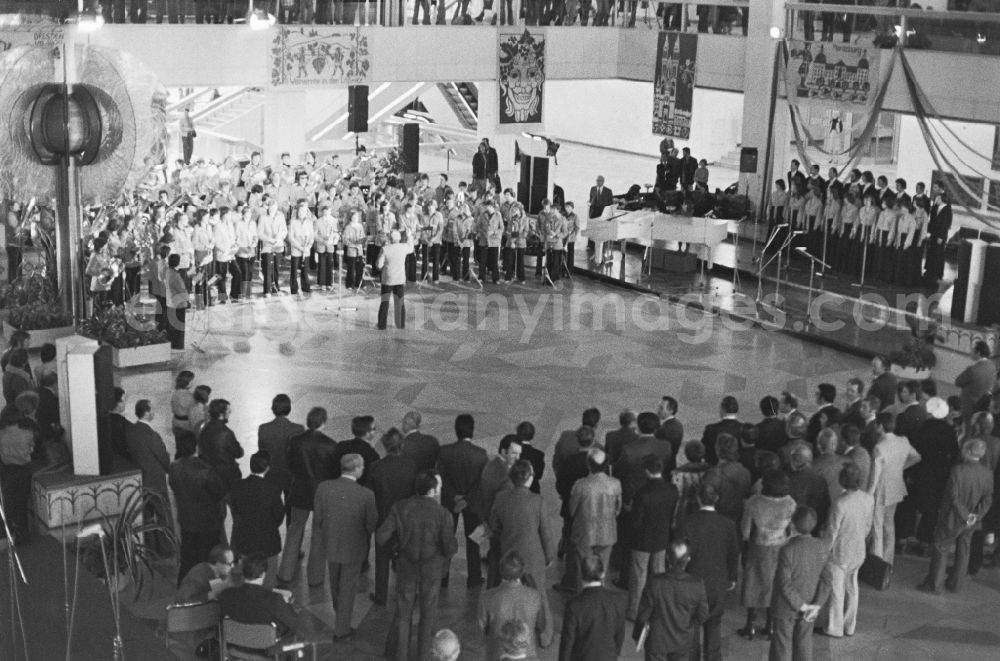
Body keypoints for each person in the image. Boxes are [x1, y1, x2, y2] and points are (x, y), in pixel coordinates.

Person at [379, 470, 458, 661]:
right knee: (427, 614)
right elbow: (450, 547)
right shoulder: (442, 513)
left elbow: (381, 535)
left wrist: (395, 552)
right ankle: (424, 656)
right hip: (432, 570)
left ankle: (400, 656)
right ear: (432, 490)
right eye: (438, 487)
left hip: (406, 567)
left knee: (403, 614)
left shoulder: (400, 507)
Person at [313, 453, 378, 641]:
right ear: (356, 469)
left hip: (330, 544)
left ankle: (339, 612)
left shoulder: (323, 488)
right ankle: (341, 630)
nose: (363, 469)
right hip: (354, 547)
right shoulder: (366, 494)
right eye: (362, 467)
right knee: (348, 587)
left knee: (334, 583)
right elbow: (371, 523)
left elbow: (318, 518)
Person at [489, 460, 555, 642]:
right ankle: (545, 634)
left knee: (508, 595)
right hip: (534, 557)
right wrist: (549, 556)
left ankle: (507, 633)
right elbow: (546, 533)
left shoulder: (500, 498)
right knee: (540, 593)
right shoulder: (538, 500)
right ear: (529, 478)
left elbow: (494, 526)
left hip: (509, 556)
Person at [918, 438, 994, 594]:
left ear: (967, 450)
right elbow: (987, 499)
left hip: (953, 517)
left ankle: (934, 585)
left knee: (941, 547)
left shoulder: (957, 470)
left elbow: (954, 497)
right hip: (972, 520)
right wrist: (975, 516)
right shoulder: (987, 473)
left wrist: (965, 515)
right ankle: (956, 584)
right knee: (964, 550)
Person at [679, 482, 739, 661]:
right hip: (717, 582)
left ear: (697, 499)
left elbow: (679, 553)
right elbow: (733, 553)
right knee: (714, 628)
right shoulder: (728, 524)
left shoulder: (687, 522)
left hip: (691, 582)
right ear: (717, 499)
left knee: (691, 627)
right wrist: (732, 577)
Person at [279, 406, 338, 586]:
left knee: (294, 530)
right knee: (318, 535)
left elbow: (289, 463)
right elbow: (334, 472)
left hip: (299, 491)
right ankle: (315, 577)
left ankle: (285, 573)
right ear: (324, 422)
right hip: (321, 494)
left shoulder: (295, 441)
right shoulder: (330, 445)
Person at [738, 470, 796, 640]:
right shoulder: (790, 503)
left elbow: (745, 531)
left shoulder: (753, 502)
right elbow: (792, 531)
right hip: (780, 547)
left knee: (753, 583)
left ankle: (750, 625)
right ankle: (770, 626)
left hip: (758, 547)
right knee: (775, 585)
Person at [769, 507, 831, 661]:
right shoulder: (822, 547)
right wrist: (816, 605)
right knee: (804, 646)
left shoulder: (787, 549)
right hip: (810, 605)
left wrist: (801, 605)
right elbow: (827, 579)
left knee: (781, 647)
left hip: (785, 607)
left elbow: (784, 583)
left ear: (793, 524)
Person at [633, 540, 710, 661]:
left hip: (657, 643)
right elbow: (703, 615)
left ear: (668, 558)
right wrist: (688, 627)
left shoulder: (654, 582)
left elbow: (643, 614)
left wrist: (638, 635)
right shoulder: (697, 584)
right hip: (682, 642)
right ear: (688, 559)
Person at [821, 463, 874, 638]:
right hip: (858, 550)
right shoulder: (868, 499)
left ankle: (834, 628)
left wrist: (824, 552)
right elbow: (868, 526)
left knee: (837, 590)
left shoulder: (840, 503)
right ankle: (850, 625)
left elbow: (832, 532)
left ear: (842, 480)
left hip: (840, 552)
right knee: (852, 587)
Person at [438, 413, 488, 588]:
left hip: (450, 501)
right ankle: (474, 577)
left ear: (456, 430)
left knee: (446, 538)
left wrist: (455, 497)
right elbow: (481, 483)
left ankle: (443, 577)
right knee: (474, 540)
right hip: (472, 503)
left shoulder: (444, 452)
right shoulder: (481, 455)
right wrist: (466, 499)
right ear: (472, 431)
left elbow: (442, 478)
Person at [626, 454, 679, 621]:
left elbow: (636, 521)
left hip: (642, 540)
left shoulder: (643, 493)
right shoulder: (672, 490)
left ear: (647, 471)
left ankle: (634, 611)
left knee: (638, 577)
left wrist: (629, 511)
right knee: (659, 574)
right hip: (662, 537)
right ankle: (658, 608)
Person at [370, 428, 418, 606]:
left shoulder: (376, 467)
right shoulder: (411, 465)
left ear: (384, 445)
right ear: (402, 445)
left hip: (383, 517)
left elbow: (371, 494)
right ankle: (406, 594)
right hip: (406, 519)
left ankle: (380, 596)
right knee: (406, 557)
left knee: (381, 559)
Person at [169, 441, 228, 582]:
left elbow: (174, 486)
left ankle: (184, 586)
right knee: (209, 557)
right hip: (208, 522)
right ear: (195, 449)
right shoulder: (206, 471)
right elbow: (220, 493)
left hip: (186, 520)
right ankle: (209, 588)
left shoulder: (174, 468)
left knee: (188, 557)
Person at [868, 411, 921, 566]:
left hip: (881, 489)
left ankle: (876, 562)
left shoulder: (879, 447)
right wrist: (901, 468)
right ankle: (888, 561)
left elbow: (874, 477)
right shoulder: (903, 441)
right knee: (889, 524)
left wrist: (868, 495)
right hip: (896, 487)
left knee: (877, 526)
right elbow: (917, 457)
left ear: (880, 426)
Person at [478, 551, 550, 661]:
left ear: (501, 570)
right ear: (522, 572)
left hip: (496, 654)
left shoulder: (487, 597)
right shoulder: (534, 596)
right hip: (527, 654)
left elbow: (480, 630)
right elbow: (541, 626)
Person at [229, 451, 285, 589]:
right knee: (269, 577)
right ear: (267, 468)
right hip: (268, 540)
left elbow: (235, 510)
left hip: (245, 539)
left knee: (246, 575)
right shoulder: (273, 489)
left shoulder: (237, 486)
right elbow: (279, 515)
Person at [568, 448, 622, 590]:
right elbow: (617, 510)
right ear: (606, 465)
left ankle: (581, 601)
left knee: (582, 572)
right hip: (607, 533)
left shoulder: (580, 485)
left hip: (584, 533)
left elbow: (572, 511)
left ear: (588, 464)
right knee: (602, 570)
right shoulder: (615, 484)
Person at [558, 554, 627, 661]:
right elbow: (619, 635)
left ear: (581, 575)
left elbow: (567, 643)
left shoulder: (574, 605)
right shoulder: (618, 600)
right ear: (603, 574)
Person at [125, 399, 172, 553]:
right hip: (155, 479)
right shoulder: (152, 435)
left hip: (140, 478)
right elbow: (163, 457)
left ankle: (150, 548)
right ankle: (166, 548)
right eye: (151, 410)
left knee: (146, 515)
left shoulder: (131, 430)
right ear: (146, 412)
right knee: (163, 513)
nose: (153, 412)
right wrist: (169, 470)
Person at [218, 553, 299, 637]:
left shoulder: (226, 594)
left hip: (233, 644)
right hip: (267, 647)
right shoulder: (275, 600)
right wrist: (286, 605)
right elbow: (295, 623)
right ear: (263, 574)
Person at [481, 435, 521, 586]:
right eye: (514, 453)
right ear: (503, 451)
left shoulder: (491, 465)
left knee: (494, 558)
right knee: (500, 561)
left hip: (491, 521)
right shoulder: (505, 476)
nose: (517, 458)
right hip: (500, 526)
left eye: (519, 454)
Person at [256, 393, 305, 509]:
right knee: (291, 510)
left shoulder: (263, 429)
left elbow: (262, 451)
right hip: (291, 475)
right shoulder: (298, 429)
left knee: (272, 509)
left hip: (271, 475)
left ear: (273, 409)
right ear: (289, 409)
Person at [197, 398, 244, 488]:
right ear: (221, 414)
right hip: (227, 474)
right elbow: (238, 453)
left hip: (210, 471)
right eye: (228, 411)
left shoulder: (204, 429)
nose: (230, 413)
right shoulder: (226, 433)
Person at [376, 229, 413, 330]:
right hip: (400, 279)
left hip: (388, 279)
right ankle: (400, 324)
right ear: (399, 238)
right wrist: (409, 236)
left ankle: (382, 325)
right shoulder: (404, 247)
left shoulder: (385, 249)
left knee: (385, 302)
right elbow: (411, 247)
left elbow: (379, 265)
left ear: (390, 238)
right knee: (400, 302)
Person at [956, 340, 996, 422]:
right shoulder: (992, 366)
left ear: (978, 353)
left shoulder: (972, 370)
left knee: (965, 427)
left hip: (968, 405)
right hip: (982, 404)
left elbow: (958, 382)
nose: (970, 352)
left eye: (972, 350)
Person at [700, 395, 742, 465]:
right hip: (738, 471)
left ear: (723, 409)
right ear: (737, 410)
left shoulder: (711, 429)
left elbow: (703, 451)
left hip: (714, 469)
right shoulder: (744, 429)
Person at [165, 253, 189, 350]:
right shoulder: (175, 275)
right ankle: (178, 345)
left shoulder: (168, 272)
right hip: (178, 304)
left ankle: (172, 344)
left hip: (170, 302)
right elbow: (182, 290)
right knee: (179, 326)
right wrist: (188, 300)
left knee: (173, 326)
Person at [515, 421, 545, 495]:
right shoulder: (539, 455)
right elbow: (539, 475)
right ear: (532, 436)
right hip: (532, 490)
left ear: (517, 433)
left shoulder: (511, 451)